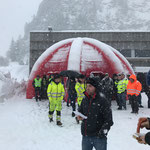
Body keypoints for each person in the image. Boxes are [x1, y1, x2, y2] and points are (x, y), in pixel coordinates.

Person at [77, 77, 113, 150]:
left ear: (96, 87)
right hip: (86, 135)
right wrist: (79, 116)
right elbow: (80, 111)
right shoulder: (85, 99)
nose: (87, 88)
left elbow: (109, 120)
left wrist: (102, 132)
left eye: (90, 86)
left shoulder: (103, 100)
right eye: (86, 86)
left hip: (99, 138)